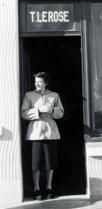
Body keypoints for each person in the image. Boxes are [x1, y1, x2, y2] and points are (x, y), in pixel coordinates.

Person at [21, 72, 64, 200]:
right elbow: (23, 113)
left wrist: (51, 110)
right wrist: (37, 111)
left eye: (39, 82)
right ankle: (36, 188)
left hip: (50, 131)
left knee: (50, 161)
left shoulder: (54, 95)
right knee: (36, 162)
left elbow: (61, 112)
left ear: (46, 83)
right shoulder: (29, 95)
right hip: (35, 132)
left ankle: (49, 187)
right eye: (35, 82)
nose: (37, 84)